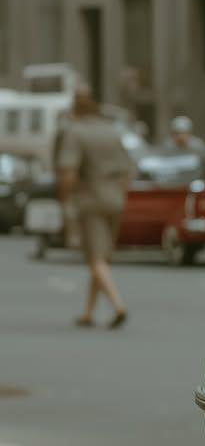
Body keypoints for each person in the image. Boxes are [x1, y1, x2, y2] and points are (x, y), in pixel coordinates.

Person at [56, 84, 136, 328]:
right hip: (115, 200)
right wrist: (118, 193)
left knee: (95, 258)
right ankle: (88, 312)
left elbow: (68, 172)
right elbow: (128, 170)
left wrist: (64, 198)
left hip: (90, 200)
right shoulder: (111, 130)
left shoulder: (75, 132)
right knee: (102, 256)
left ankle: (118, 305)